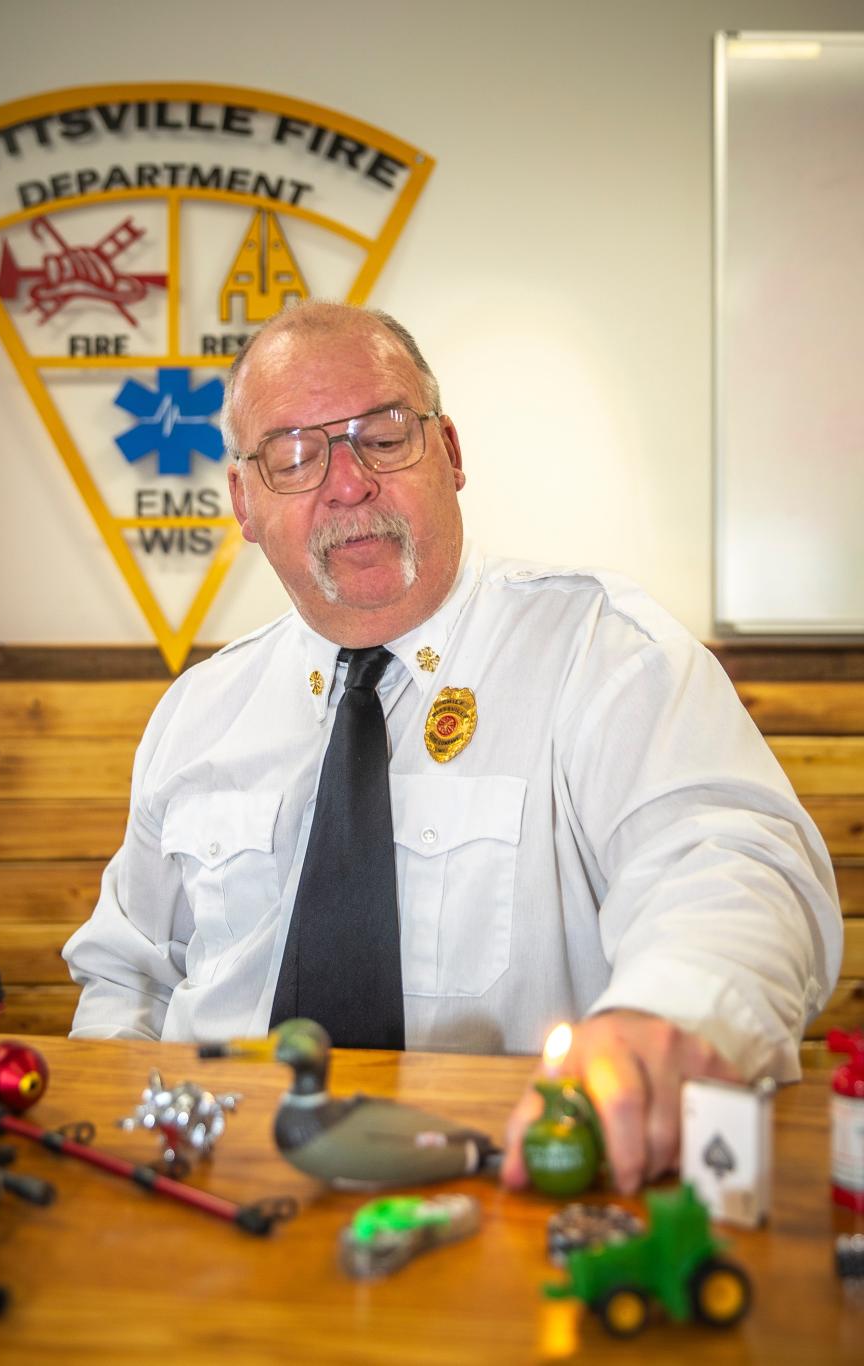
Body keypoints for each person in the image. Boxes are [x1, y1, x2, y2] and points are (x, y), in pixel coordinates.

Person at [62, 300, 842, 1195]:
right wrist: (112, 1160)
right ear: (242, 499)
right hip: (215, 1194)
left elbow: (732, 864)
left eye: (383, 435)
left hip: (511, 1189)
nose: (347, 482)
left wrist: (667, 1016)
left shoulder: (605, 652)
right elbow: (129, 979)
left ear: (452, 453)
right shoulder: (197, 713)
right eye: (293, 454)